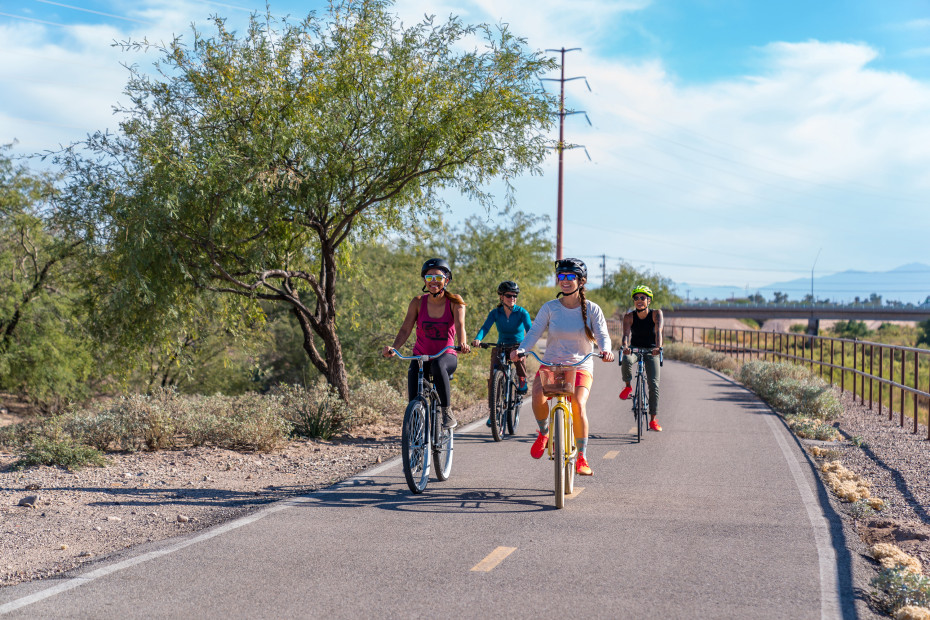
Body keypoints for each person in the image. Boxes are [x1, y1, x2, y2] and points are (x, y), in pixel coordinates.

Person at [512, 258, 613, 476]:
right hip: (551, 364)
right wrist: (521, 349)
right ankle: (544, 433)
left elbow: (603, 335)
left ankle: (583, 458)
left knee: (577, 403)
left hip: (580, 366)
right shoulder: (550, 308)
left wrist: (606, 350)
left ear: (581, 281)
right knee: (537, 396)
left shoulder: (593, 309)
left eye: (570, 277)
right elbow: (534, 333)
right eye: (561, 277)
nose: (564, 281)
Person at [382, 258, 471, 429]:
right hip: (421, 356)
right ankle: (415, 427)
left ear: (447, 280)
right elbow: (405, 330)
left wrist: (463, 343)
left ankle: (446, 411)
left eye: (438, 278)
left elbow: (460, 325)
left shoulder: (455, 301)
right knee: (414, 390)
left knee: (438, 365)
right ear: (424, 281)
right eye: (429, 278)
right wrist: (394, 348)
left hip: (446, 356)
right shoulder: (417, 302)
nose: (433, 282)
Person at [472, 281, 533, 426]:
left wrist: (525, 347)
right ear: (501, 297)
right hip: (502, 345)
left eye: (515, 295)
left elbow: (531, 330)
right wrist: (478, 339)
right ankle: (494, 412)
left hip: (518, 345)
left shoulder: (522, 312)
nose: (512, 298)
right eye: (508, 295)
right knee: (494, 378)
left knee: (518, 358)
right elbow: (485, 327)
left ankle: (522, 379)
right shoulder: (495, 313)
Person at [618, 284, 664, 431]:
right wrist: (625, 347)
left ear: (649, 300)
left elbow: (659, 332)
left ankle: (653, 420)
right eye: (636, 298)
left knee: (654, 385)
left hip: (652, 350)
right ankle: (628, 386)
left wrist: (658, 348)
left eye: (642, 298)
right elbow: (626, 335)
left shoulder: (656, 314)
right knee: (626, 359)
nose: (639, 300)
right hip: (634, 349)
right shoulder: (629, 316)